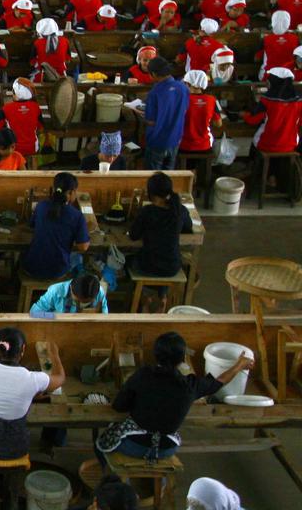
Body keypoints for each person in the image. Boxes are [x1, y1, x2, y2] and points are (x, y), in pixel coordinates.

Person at [96, 332, 251, 464]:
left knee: (100, 441)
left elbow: (119, 406)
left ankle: (113, 479)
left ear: (155, 355)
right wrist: (239, 365)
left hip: (134, 445)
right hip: (166, 448)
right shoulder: (189, 385)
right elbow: (218, 382)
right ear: (183, 358)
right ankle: (158, 483)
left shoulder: (143, 375)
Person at [0, 328, 64, 505]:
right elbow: (60, 379)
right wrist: (54, 353)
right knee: (0, 444)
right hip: (15, 447)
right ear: (22, 351)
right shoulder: (33, 379)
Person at [128, 173, 194, 312]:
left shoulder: (147, 212)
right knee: (162, 258)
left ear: (151, 194)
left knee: (132, 261)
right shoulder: (180, 210)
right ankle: (162, 297)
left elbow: (133, 235)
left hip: (149, 266)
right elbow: (188, 227)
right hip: (172, 266)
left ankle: (145, 299)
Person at [24, 173, 90, 280]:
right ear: (71, 192)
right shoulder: (77, 216)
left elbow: (32, 225)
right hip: (56, 271)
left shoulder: (41, 206)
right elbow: (83, 247)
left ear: (54, 189)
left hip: (32, 267)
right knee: (77, 259)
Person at [144, 58, 190, 170]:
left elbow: (151, 121)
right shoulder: (183, 88)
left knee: (153, 175)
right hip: (175, 139)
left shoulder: (155, 92)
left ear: (154, 74)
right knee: (168, 174)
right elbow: (184, 109)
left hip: (157, 140)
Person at [31, 272, 109, 314]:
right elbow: (34, 312)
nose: (80, 304)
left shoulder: (98, 292)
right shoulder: (55, 291)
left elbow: (104, 315)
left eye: (86, 302)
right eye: (78, 301)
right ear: (71, 288)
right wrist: (54, 317)